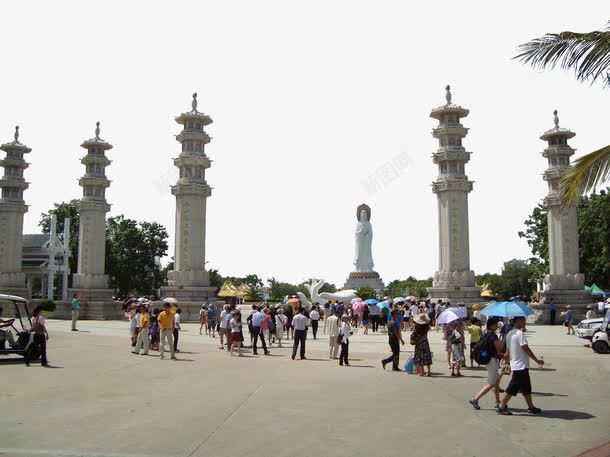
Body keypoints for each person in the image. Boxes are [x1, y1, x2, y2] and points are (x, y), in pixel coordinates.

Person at [497, 316, 544, 415]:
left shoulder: (509, 333)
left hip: (517, 364)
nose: (525, 323)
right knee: (512, 387)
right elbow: (525, 348)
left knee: (526, 387)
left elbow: (508, 351)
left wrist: (508, 361)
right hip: (520, 365)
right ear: (518, 321)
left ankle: (531, 407)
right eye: (524, 321)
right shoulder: (519, 333)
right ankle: (501, 406)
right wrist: (537, 360)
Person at [469, 317, 505, 411]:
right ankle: (475, 399)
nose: (498, 325)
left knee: (496, 382)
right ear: (492, 325)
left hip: (489, 360)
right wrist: (503, 337)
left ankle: (497, 402)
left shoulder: (486, 334)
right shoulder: (493, 336)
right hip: (493, 360)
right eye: (496, 324)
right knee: (492, 383)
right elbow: (499, 348)